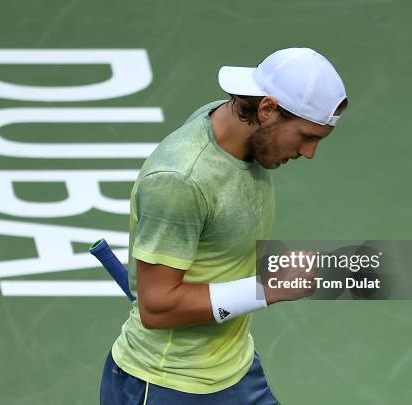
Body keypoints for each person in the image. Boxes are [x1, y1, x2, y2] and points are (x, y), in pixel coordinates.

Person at [100, 47, 348, 404]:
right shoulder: (180, 180)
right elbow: (156, 308)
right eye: (307, 136)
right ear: (267, 109)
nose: (309, 153)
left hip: (235, 369)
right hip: (168, 386)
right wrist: (267, 288)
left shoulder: (234, 127)